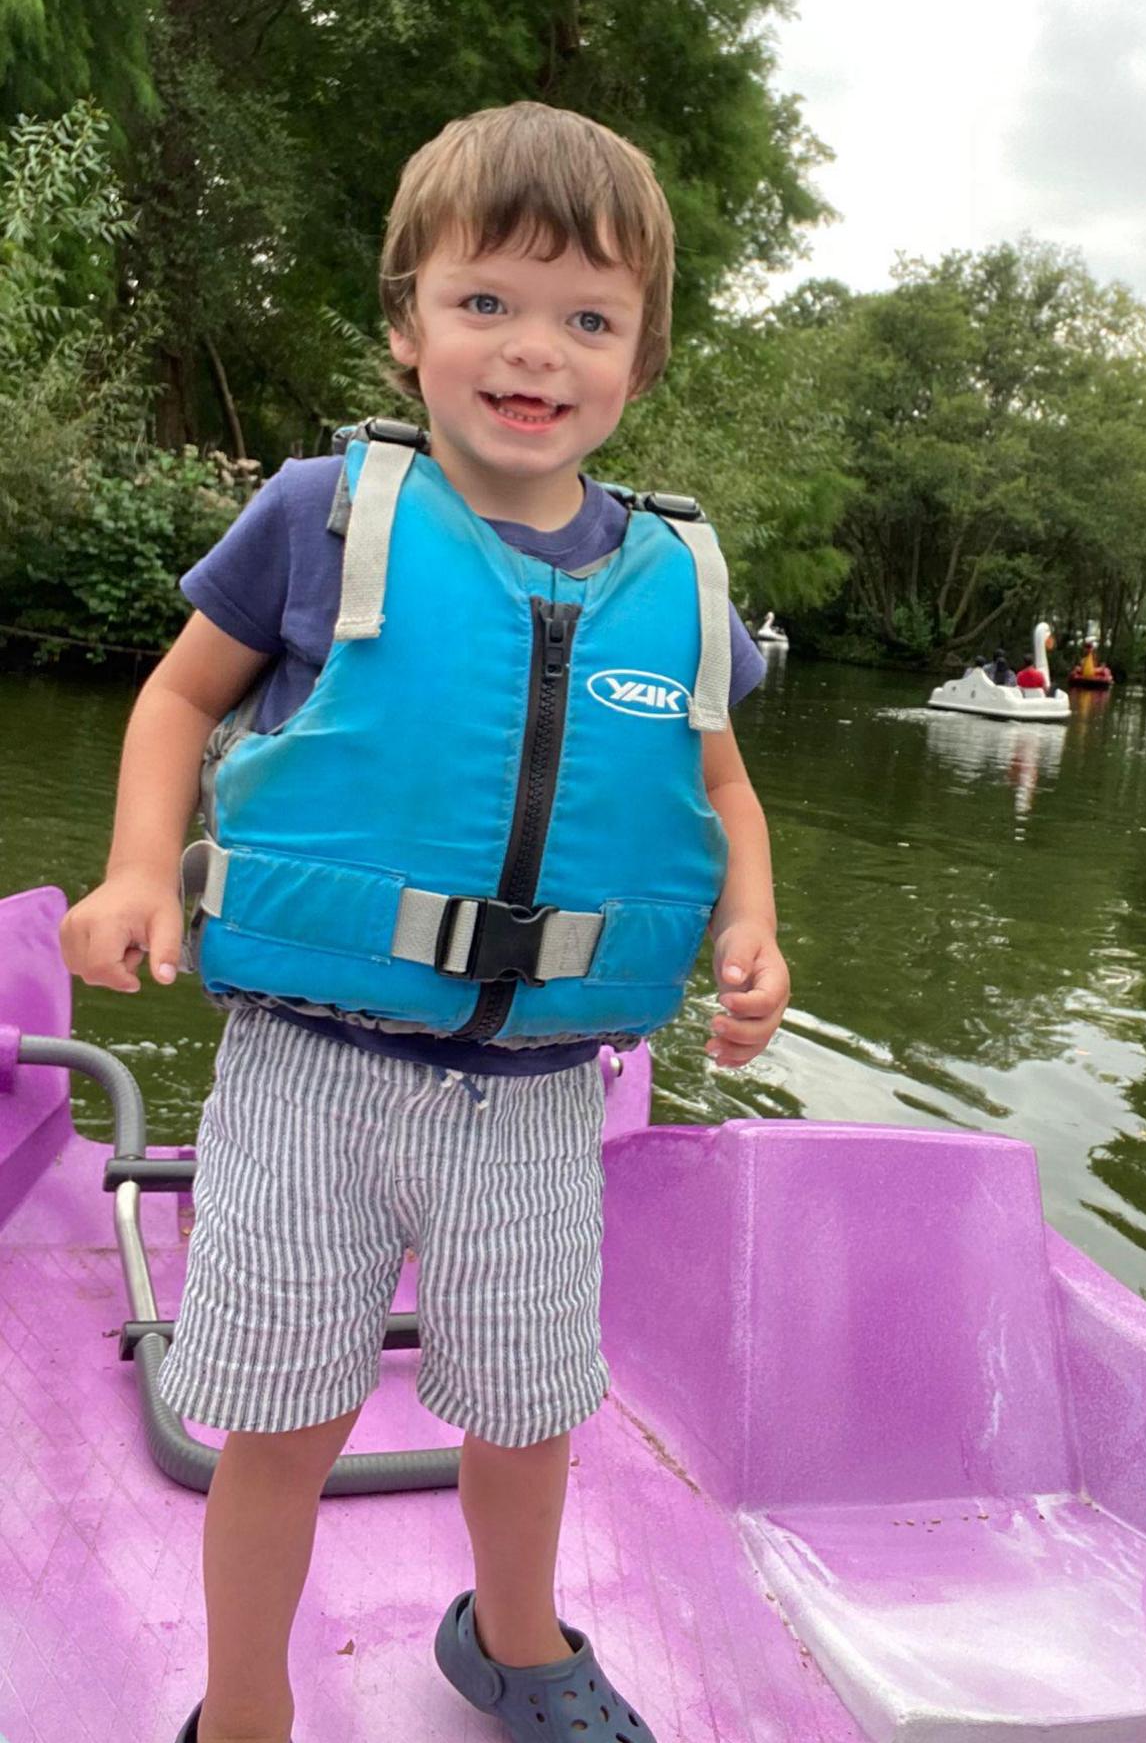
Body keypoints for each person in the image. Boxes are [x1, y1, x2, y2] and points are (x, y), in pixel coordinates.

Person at [58, 101, 790, 1743]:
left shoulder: (677, 582)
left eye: (588, 319)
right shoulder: (318, 516)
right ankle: (245, 1706)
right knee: (282, 1420)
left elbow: (725, 789)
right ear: (408, 324)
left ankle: (513, 1644)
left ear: (641, 361)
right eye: (488, 303)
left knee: (527, 1413)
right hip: (307, 1078)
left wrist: (754, 922)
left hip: (536, 1103)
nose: (535, 351)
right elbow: (179, 700)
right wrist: (129, 868)